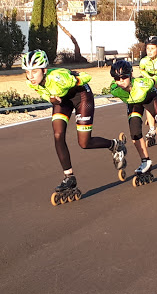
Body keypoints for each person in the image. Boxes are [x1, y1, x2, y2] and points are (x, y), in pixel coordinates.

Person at [23, 49, 127, 205]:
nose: (30, 76)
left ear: (44, 70)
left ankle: (115, 145)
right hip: (62, 101)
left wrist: (75, 76)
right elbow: (45, 93)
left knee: (84, 143)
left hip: (81, 96)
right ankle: (69, 177)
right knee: (58, 134)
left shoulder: (59, 78)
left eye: (35, 71)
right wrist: (51, 97)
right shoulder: (31, 83)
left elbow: (87, 77)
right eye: (27, 72)